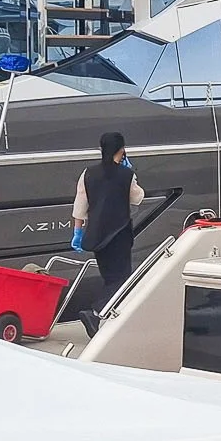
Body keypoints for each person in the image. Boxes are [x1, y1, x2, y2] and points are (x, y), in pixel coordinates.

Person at [72, 131, 143, 327]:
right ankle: (95, 313)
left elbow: (80, 206)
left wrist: (78, 232)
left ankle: (105, 319)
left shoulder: (88, 173)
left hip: (96, 235)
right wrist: (131, 176)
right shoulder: (126, 174)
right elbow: (137, 197)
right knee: (121, 279)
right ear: (122, 150)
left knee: (109, 277)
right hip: (119, 234)